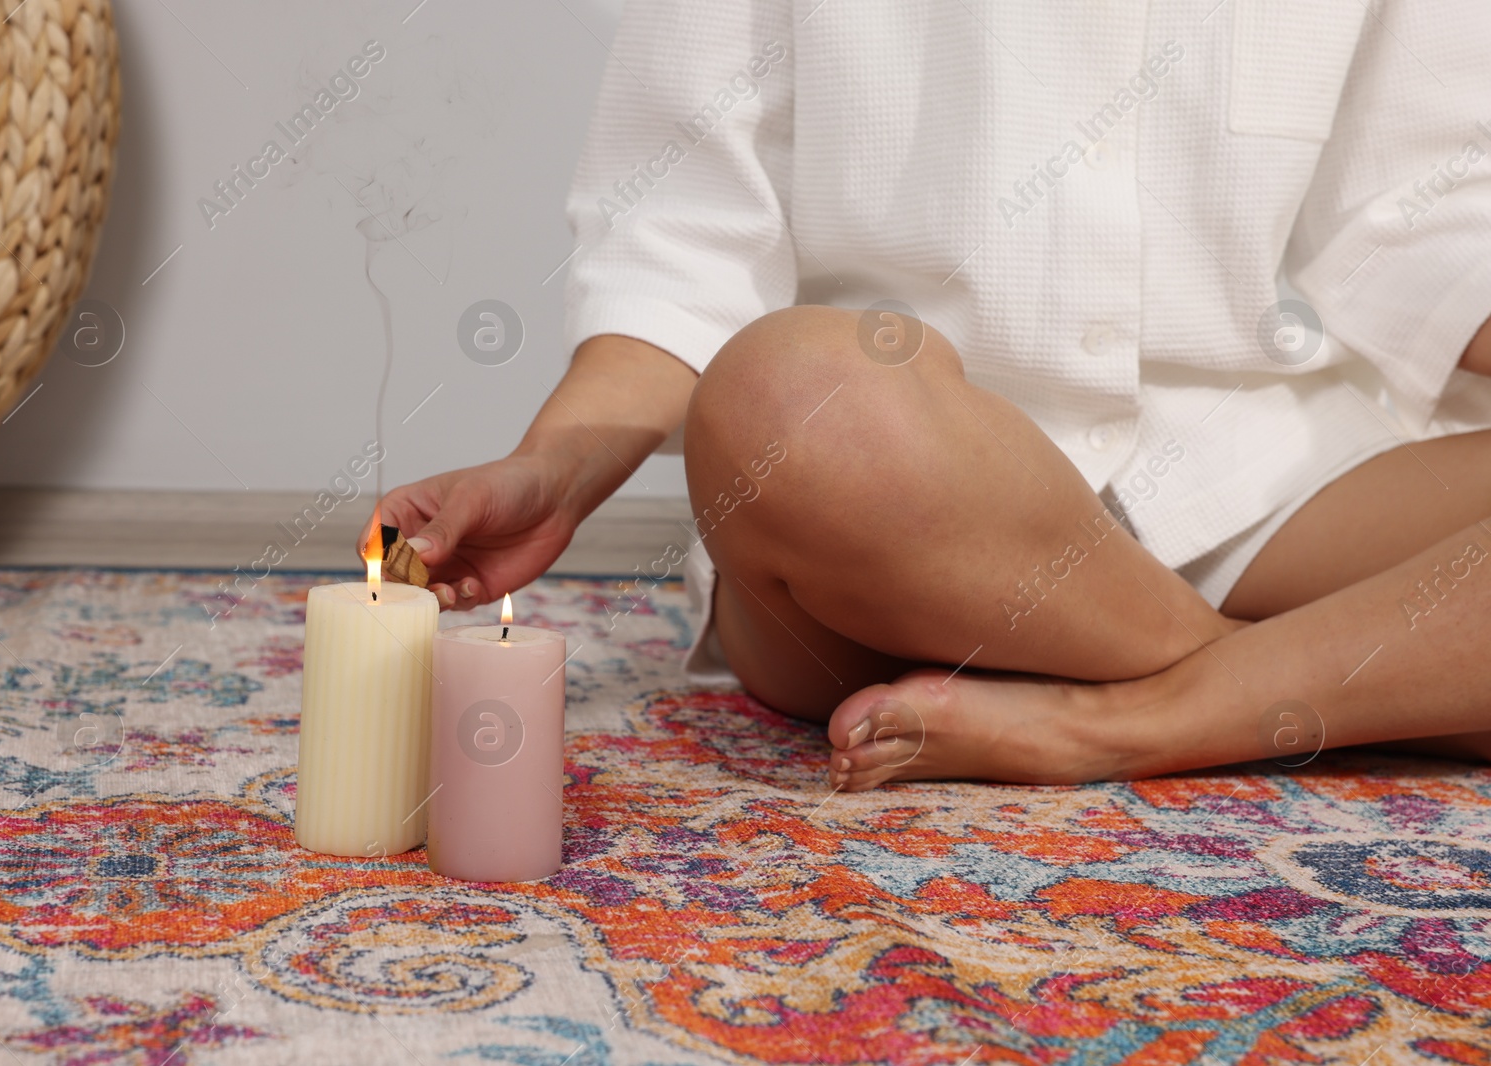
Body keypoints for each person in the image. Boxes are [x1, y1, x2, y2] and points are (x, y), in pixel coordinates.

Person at [369, 1, 1491, 788]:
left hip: (1272, 477)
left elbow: (1419, 223)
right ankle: (1367, 670)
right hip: (908, 504)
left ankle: (1132, 718)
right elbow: (689, 233)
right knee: (791, 397)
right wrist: (557, 464)